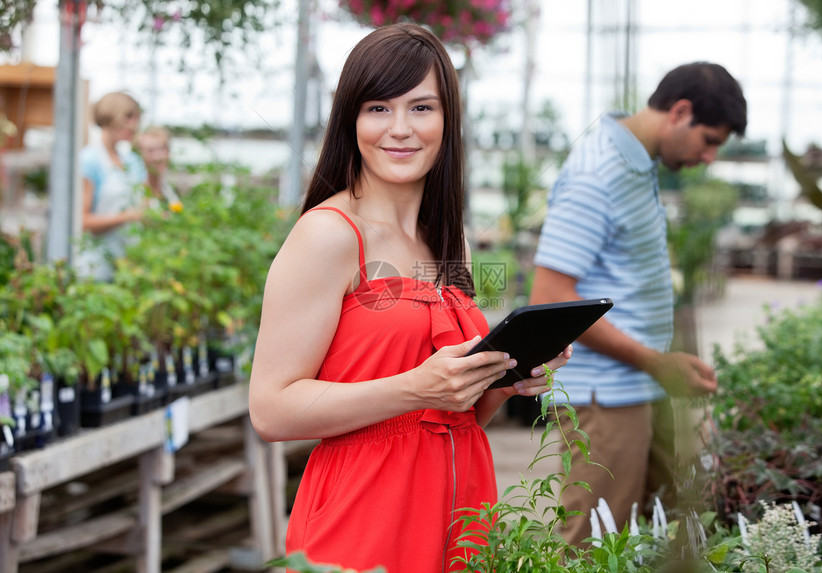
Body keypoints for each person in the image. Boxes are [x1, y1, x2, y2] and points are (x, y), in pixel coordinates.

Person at [248, 23, 571, 573]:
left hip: (460, 511)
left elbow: (447, 415)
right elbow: (270, 410)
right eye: (378, 108)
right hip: (364, 517)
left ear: (448, 121)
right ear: (351, 120)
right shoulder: (328, 234)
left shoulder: (451, 243)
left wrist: (499, 384)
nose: (400, 129)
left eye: (421, 108)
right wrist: (414, 386)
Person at [529, 62, 747, 546]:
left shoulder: (635, 162)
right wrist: (654, 360)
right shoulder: (598, 172)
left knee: (645, 536)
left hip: (635, 386)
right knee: (592, 545)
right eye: (709, 140)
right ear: (680, 112)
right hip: (603, 397)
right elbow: (550, 299)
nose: (710, 156)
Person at [75, 91, 147, 281]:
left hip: (131, 261)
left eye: (137, 118)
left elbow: (145, 202)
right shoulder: (89, 160)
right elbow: (82, 221)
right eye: (129, 117)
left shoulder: (132, 161)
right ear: (110, 115)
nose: (134, 125)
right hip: (96, 265)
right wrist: (127, 216)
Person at [135, 125, 181, 208]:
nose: (158, 157)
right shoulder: (134, 191)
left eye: (162, 149)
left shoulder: (168, 190)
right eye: (151, 150)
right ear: (139, 155)